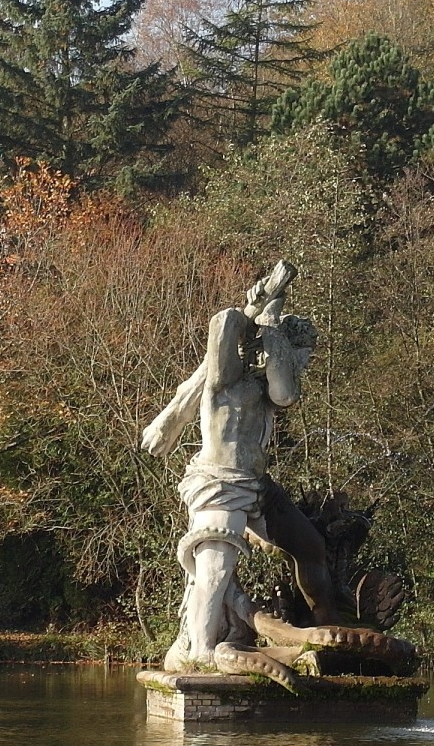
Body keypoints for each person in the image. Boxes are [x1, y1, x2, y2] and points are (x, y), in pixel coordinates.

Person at [141, 261, 337, 670]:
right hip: (219, 483)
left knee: (311, 546)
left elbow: (283, 391)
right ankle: (199, 654)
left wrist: (269, 309)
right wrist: (265, 315)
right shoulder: (224, 382)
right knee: (213, 569)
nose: (299, 364)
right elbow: (229, 327)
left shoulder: (263, 387)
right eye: (298, 355)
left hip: (256, 485)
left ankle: (329, 627)